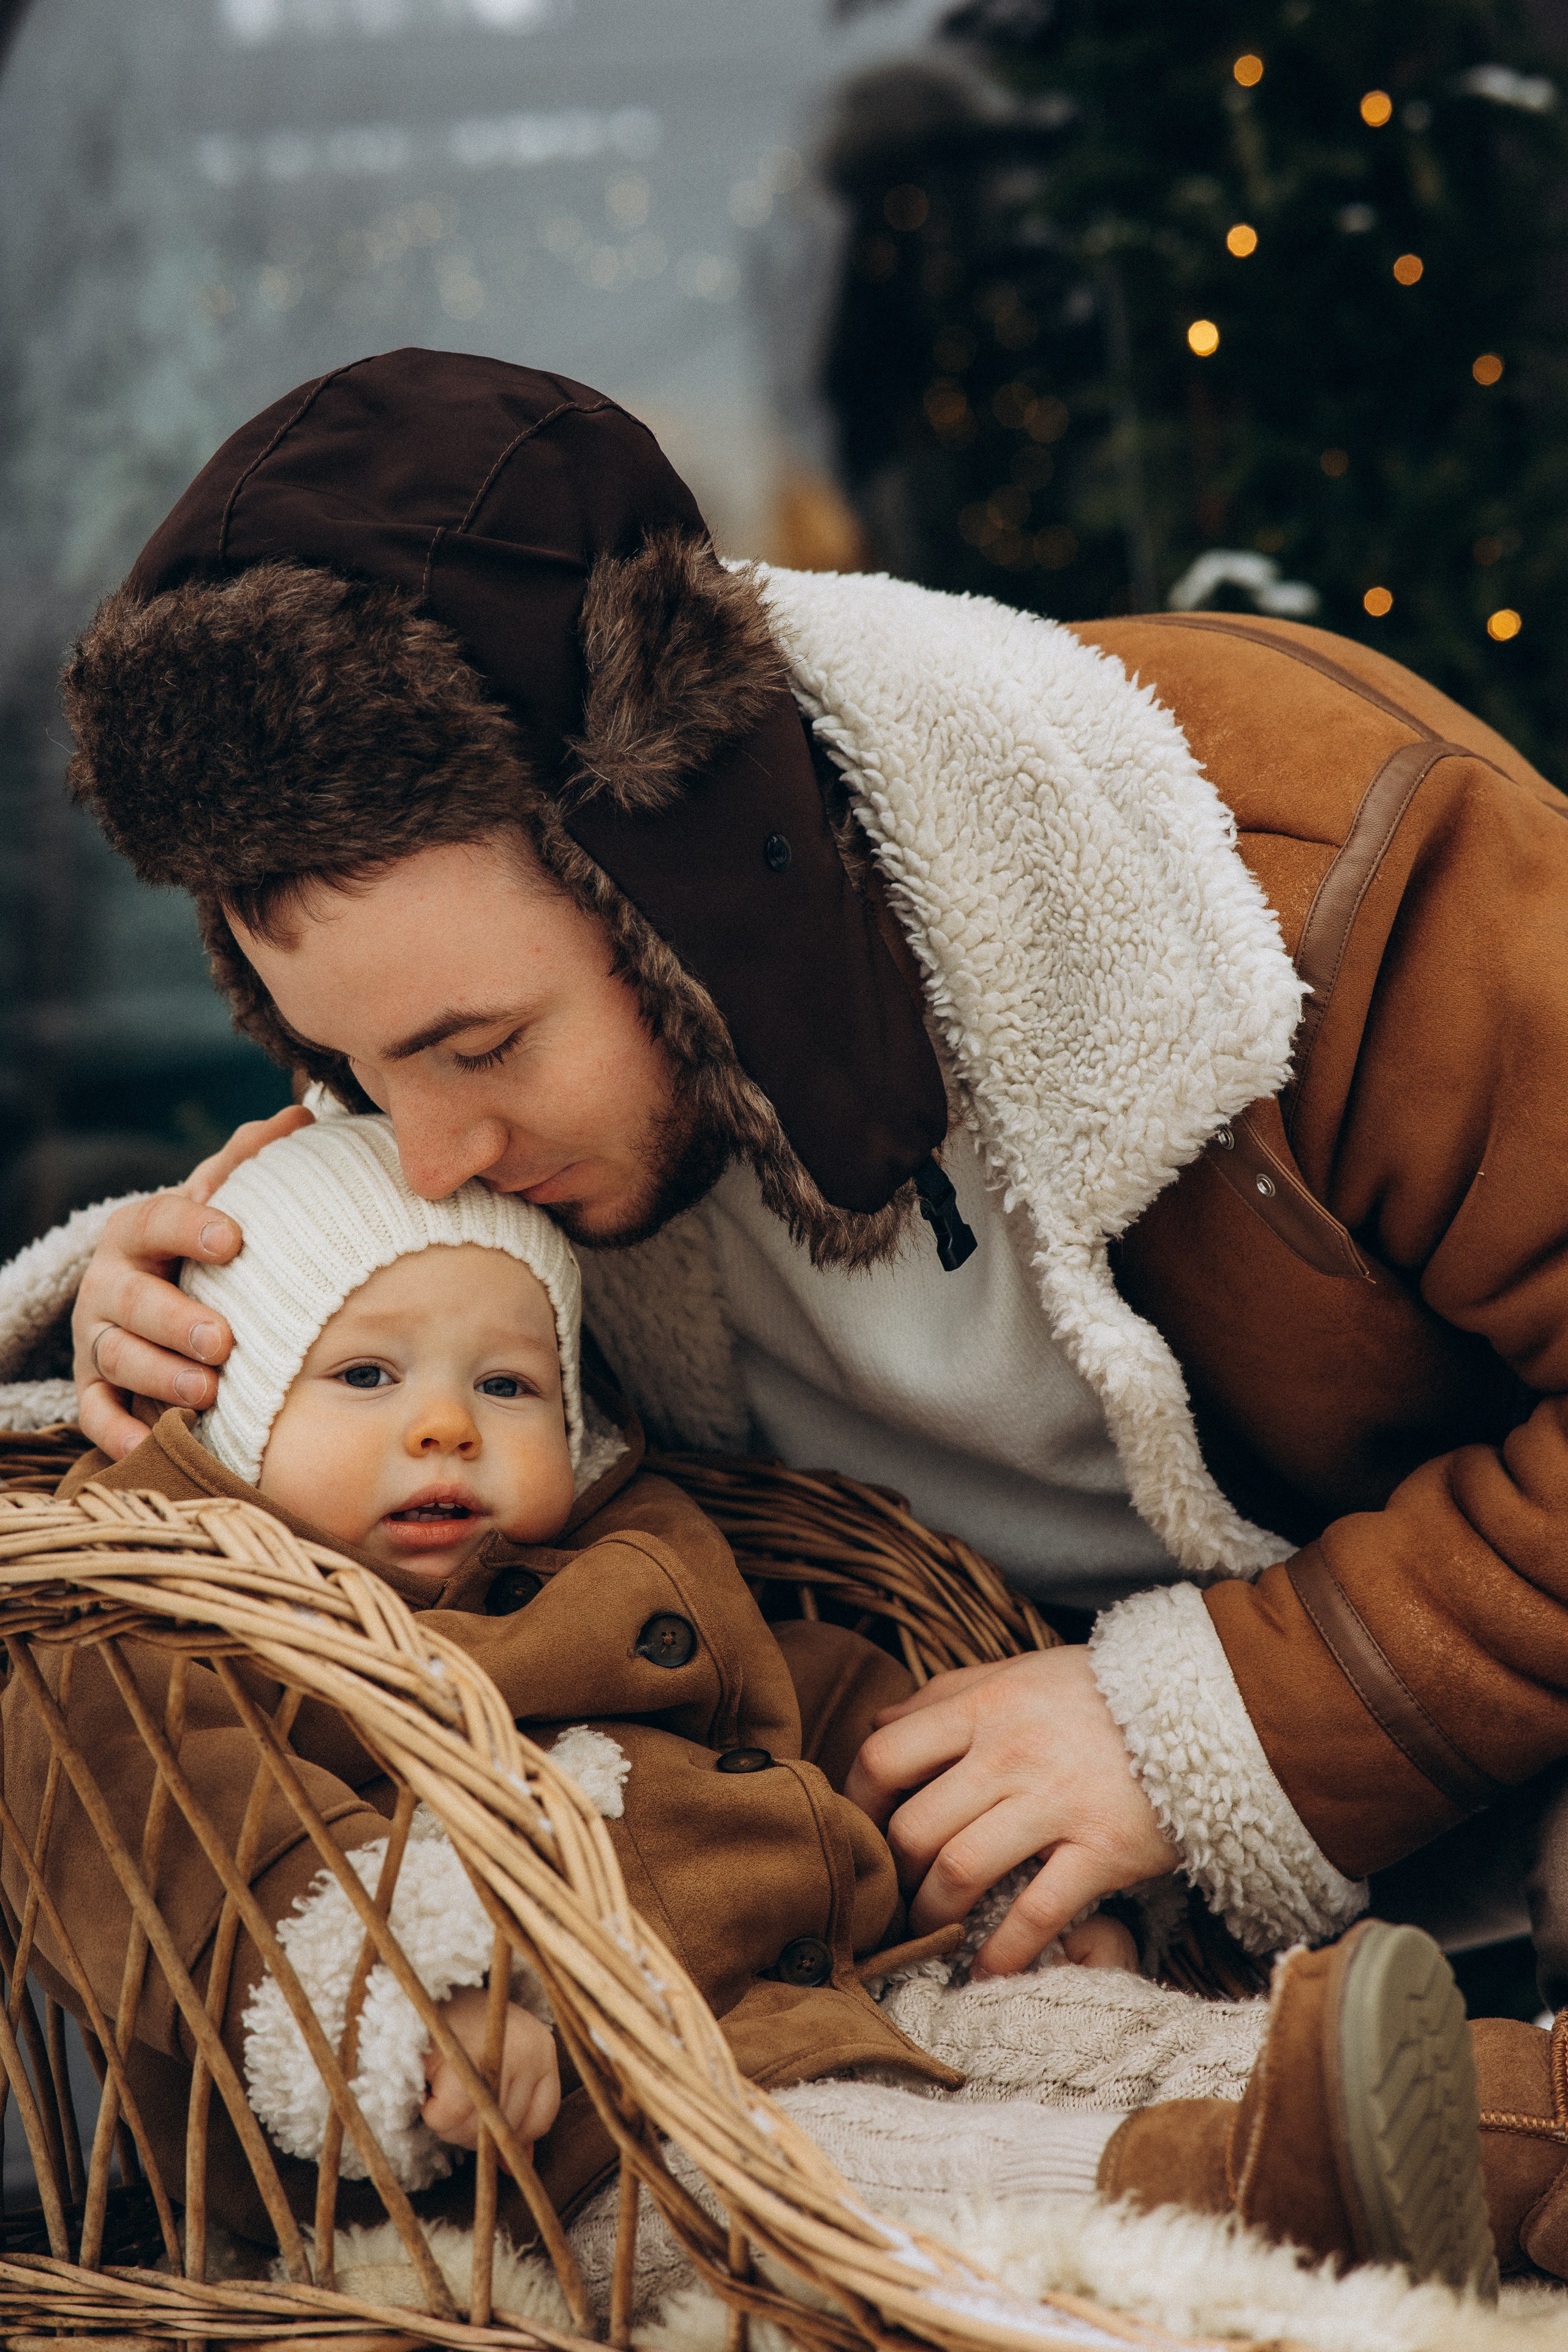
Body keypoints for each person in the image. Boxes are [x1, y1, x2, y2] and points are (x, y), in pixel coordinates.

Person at [6, 342, 1568, 2269]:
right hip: (1056, 1961)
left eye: (478, 1045)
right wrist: (141, 1348)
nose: (425, 1155)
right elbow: (353, 1369)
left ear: (683, 887)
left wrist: (1221, 1724)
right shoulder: (461, 1119)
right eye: (351, 1069)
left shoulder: (1275, 879)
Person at [12, 1110, 1503, 2294]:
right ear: (234, 1410)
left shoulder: (633, 1557)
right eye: (365, 1375)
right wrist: (415, 2018)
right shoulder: (183, 1633)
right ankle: (1251, 2202)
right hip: (584, 2140)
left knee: (1105, 2031)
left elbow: (834, 1715)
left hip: (840, 1995)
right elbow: (215, 1863)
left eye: (511, 1385)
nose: (448, 1422)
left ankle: (1499, 2128)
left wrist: (983, 1892)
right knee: (867, 2184)